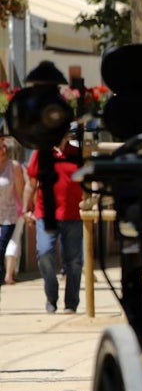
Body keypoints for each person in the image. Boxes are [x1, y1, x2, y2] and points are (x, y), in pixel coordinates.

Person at [24, 132, 84, 314]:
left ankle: (71, 303)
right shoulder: (41, 154)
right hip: (46, 214)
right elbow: (31, 183)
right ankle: (51, 295)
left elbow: (89, 182)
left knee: (74, 262)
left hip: (73, 214)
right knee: (44, 253)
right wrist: (27, 209)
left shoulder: (77, 153)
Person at [0, 138, 26, 299]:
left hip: (10, 214)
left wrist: (24, 209)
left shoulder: (13, 166)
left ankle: (8, 274)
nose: (3, 149)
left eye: (3, 146)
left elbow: (21, 189)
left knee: (5, 244)